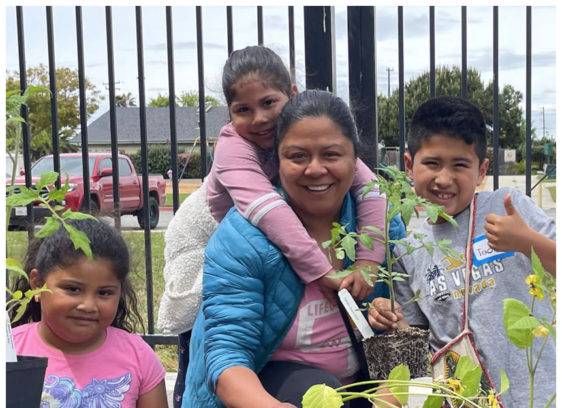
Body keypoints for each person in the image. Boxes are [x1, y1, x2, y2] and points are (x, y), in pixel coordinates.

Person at [158, 46, 387, 406]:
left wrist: (370, 263)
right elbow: (268, 211)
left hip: (347, 379)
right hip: (204, 240)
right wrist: (320, 270)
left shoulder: (367, 212)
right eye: (297, 156)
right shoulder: (236, 157)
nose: (260, 118)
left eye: (331, 154)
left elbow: (374, 194)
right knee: (200, 349)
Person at [369, 96, 556, 407]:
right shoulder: (407, 250)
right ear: (408, 166)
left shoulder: (507, 207)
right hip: (463, 400)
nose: (444, 178)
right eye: (432, 163)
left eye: (460, 165)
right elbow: (416, 348)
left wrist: (527, 242)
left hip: (537, 394)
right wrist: (390, 317)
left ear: (481, 170)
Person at [11, 219, 168, 408]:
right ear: (37, 284)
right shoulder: (10, 351)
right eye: (73, 289)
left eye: (104, 293)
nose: (88, 305)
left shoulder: (139, 357)